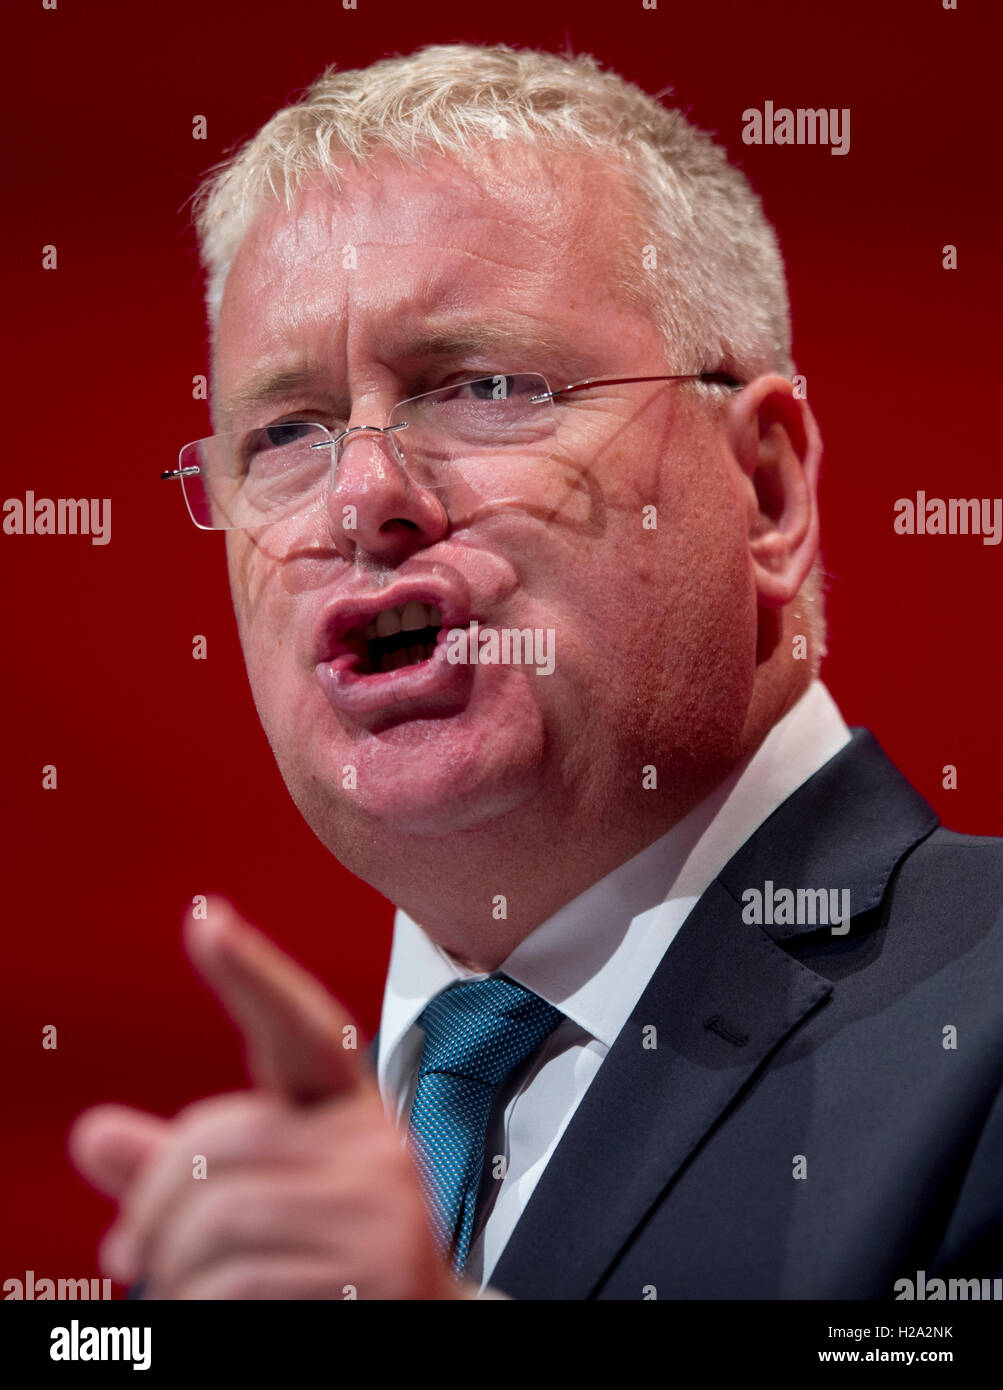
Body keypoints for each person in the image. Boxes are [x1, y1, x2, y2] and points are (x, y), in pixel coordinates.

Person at [69, 43, 1003, 1301]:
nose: (360, 498)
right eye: (284, 431)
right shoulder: (259, 1240)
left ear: (766, 492)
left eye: (485, 386)